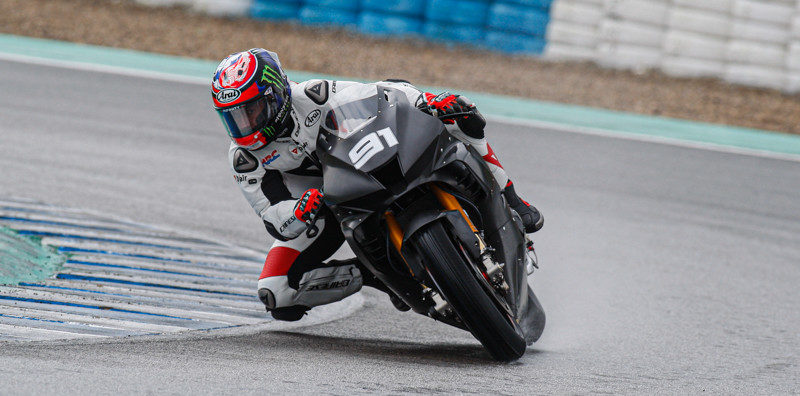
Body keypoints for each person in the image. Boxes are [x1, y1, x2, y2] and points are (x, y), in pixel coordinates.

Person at [212, 48, 543, 321]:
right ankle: (377, 276)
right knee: (275, 292)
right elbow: (270, 214)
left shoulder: (313, 96)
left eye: (252, 111)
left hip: (361, 167)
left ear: (276, 95)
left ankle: (513, 200)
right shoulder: (245, 157)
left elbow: (383, 92)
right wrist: (300, 210)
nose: (245, 125)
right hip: (322, 208)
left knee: (457, 115)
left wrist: (429, 101)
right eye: (234, 116)